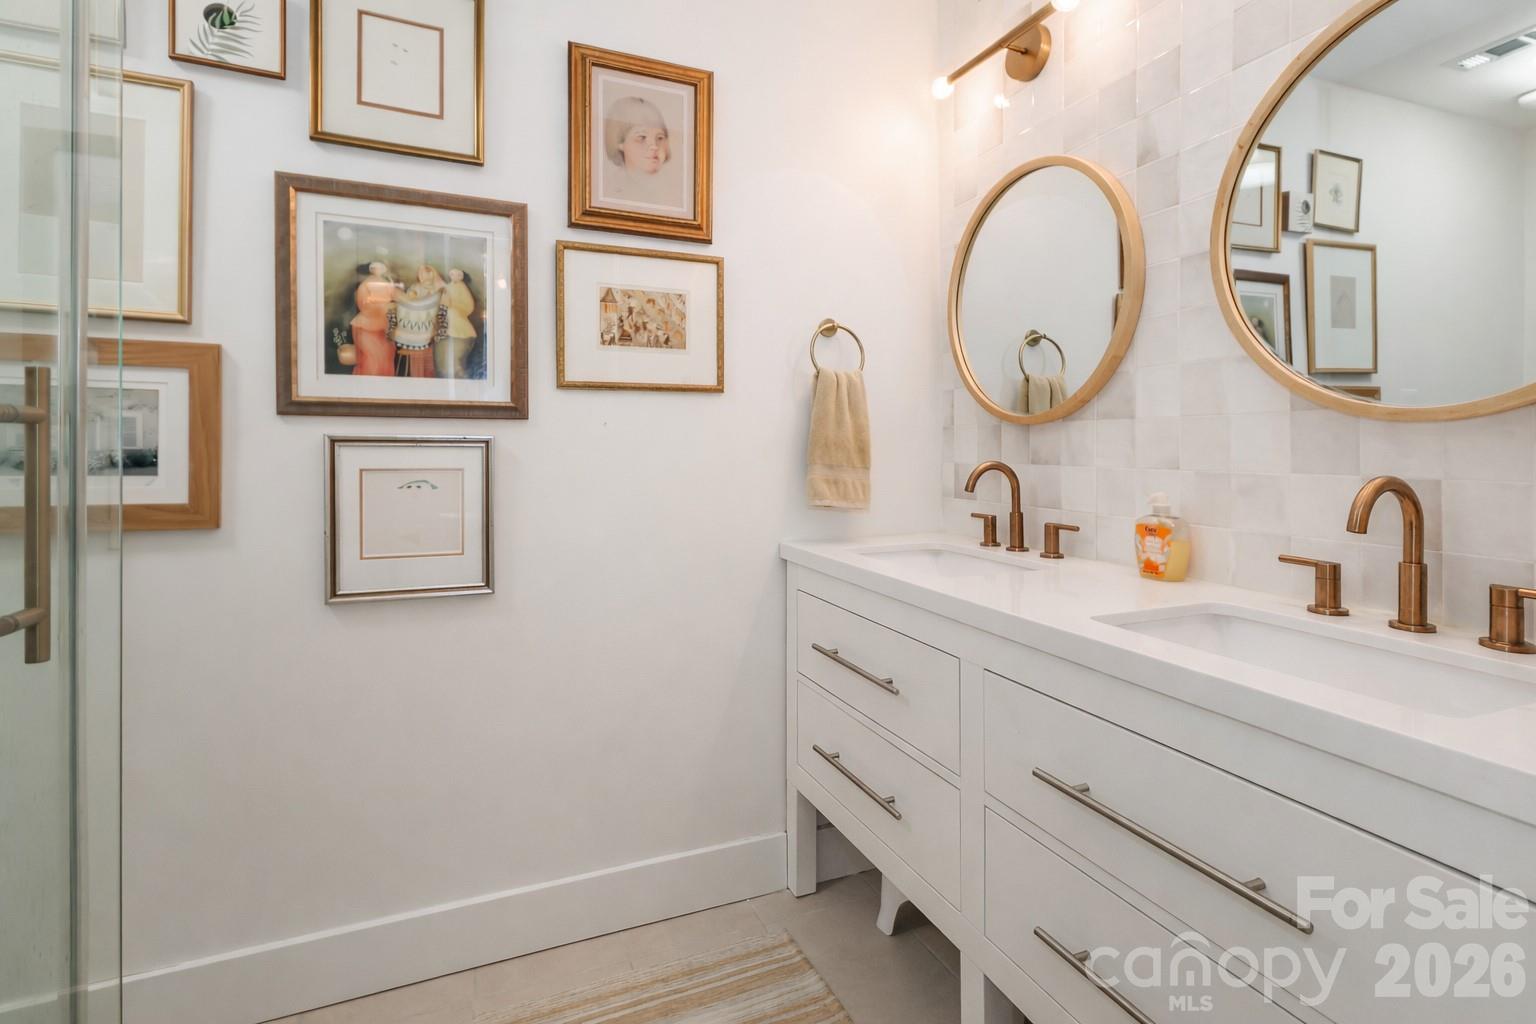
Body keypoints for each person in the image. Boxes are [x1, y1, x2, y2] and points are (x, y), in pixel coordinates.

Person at [603, 96, 681, 209]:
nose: (654, 146)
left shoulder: (674, 193)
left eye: (660, 138)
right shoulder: (612, 191)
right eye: (642, 137)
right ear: (620, 142)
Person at [393, 265, 445, 378]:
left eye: (427, 273)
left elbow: (435, 306)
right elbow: (410, 300)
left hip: (428, 329)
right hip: (415, 329)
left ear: (433, 274)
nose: (424, 276)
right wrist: (412, 301)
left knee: (425, 358)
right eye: (422, 274)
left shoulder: (438, 290)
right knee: (411, 359)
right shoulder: (416, 287)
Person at [350, 262, 401, 376]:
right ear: (371, 270)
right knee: (371, 358)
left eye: (380, 268)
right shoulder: (365, 285)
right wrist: (381, 306)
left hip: (384, 326)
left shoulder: (388, 284)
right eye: (375, 268)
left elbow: (398, 298)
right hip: (366, 327)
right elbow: (362, 304)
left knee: (387, 355)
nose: (377, 270)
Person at [436, 268, 479, 379]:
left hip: (461, 327)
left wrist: (454, 306)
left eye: (457, 275)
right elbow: (442, 303)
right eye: (452, 274)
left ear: (461, 276)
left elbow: (469, 306)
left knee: (457, 360)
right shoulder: (448, 287)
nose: (454, 277)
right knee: (444, 359)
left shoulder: (463, 288)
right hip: (447, 327)